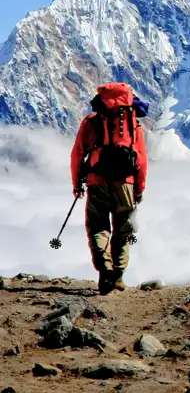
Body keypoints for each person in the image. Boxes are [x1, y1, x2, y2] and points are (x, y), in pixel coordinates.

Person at [70, 83, 148, 295]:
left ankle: (105, 269)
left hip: (97, 181)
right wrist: (138, 189)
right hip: (125, 183)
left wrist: (77, 183)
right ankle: (119, 276)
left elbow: (77, 154)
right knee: (124, 228)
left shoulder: (91, 122)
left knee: (98, 226)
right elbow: (141, 160)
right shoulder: (133, 125)